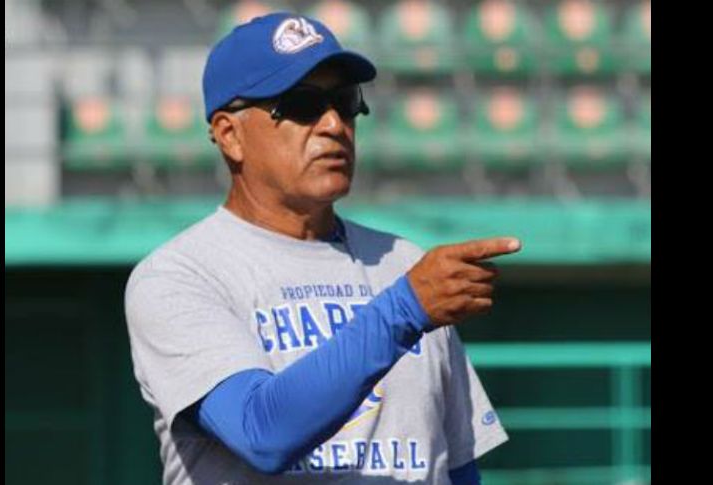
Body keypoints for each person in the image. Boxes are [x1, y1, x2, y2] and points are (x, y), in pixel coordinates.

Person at [125, 12, 521, 485]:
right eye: (303, 105)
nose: (334, 124)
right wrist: (404, 309)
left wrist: (409, 302)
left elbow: (456, 466)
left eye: (345, 101)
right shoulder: (179, 275)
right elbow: (262, 432)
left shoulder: (405, 264)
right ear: (230, 135)